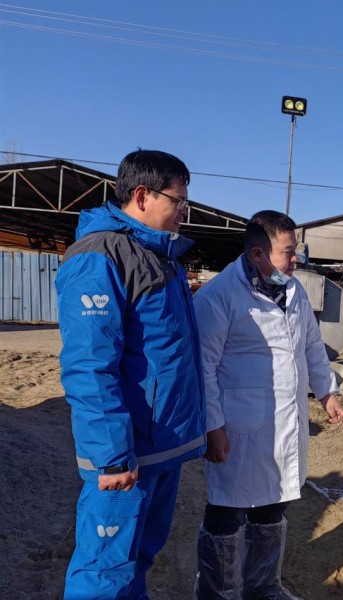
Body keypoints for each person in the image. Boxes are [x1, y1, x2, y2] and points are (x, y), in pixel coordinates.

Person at [56, 149, 206, 599]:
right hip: (126, 454)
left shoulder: (162, 257)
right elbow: (89, 364)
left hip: (158, 445)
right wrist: (112, 454)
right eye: (178, 200)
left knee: (138, 558)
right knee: (105, 572)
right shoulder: (99, 257)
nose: (184, 211)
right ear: (142, 196)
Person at [194, 210, 343, 600]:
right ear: (258, 254)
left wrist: (327, 393)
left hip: (284, 426)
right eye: (288, 252)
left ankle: (263, 588)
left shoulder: (295, 292)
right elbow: (202, 367)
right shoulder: (219, 296)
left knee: (271, 510)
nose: (297, 259)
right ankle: (218, 595)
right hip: (238, 429)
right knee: (228, 514)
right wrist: (212, 426)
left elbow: (312, 347)